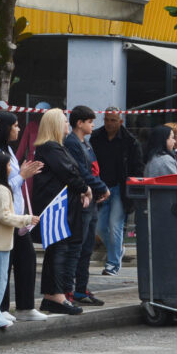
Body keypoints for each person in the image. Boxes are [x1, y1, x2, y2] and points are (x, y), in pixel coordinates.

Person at [0, 112, 46, 321]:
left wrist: (22, 174)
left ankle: (25, 306)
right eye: (15, 126)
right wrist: (22, 175)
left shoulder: (9, 150)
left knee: (26, 259)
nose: (18, 129)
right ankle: (1, 307)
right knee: (4, 264)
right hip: (6, 217)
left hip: (18, 215)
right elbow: (0, 186)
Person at [32, 108, 90, 316]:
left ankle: (56, 294)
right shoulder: (50, 147)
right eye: (64, 121)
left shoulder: (56, 147)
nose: (67, 124)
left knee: (62, 250)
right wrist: (85, 188)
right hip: (55, 205)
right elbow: (69, 172)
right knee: (58, 250)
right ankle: (54, 295)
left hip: (64, 204)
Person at [0, 151, 39, 328]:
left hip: (1, 242)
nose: (11, 168)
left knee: (0, 279)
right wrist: (26, 219)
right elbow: (4, 216)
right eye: (9, 165)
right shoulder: (2, 190)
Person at [64, 106, 110, 307]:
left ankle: (81, 289)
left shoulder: (86, 143)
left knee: (87, 247)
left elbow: (93, 170)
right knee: (77, 245)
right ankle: (69, 290)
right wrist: (101, 187)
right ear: (79, 123)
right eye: (90, 122)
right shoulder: (72, 143)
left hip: (91, 200)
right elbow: (81, 171)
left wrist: (99, 188)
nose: (93, 125)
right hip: (81, 200)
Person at [90, 107, 143, 276]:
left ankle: (112, 263)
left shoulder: (130, 141)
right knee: (99, 227)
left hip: (120, 188)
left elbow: (137, 167)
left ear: (120, 121)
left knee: (115, 225)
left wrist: (132, 187)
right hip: (101, 187)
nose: (109, 123)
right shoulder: (96, 137)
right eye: (106, 119)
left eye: (113, 120)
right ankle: (118, 249)